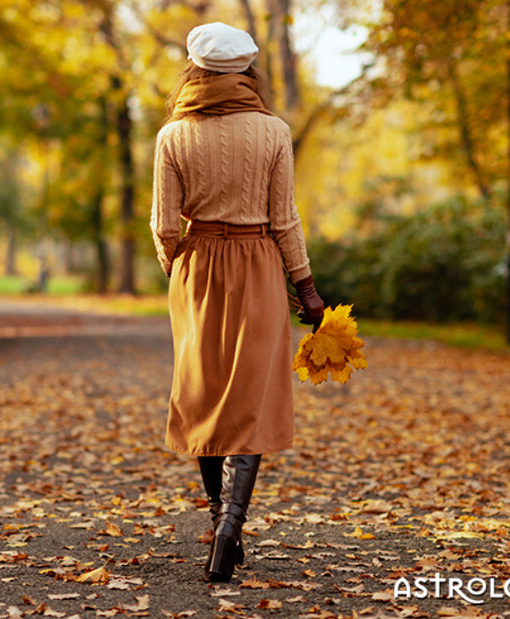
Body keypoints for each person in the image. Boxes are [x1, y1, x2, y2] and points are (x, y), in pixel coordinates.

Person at [149, 21, 325, 582]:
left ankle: (220, 517)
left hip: (197, 267)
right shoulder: (274, 131)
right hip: (257, 267)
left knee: (204, 394)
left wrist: (176, 268)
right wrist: (306, 287)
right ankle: (231, 531)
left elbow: (163, 225)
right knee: (249, 396)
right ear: (247, 71)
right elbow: (285, 220)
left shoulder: (172, 136)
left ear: (195, 70)